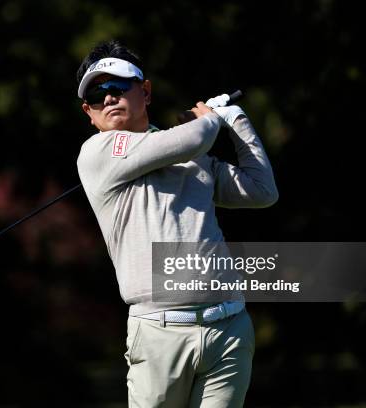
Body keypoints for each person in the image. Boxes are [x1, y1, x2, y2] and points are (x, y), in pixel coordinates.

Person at [76, 40, 278, 408]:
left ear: (146, 91)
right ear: (88, 112)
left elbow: (262, 189)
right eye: (96, 94)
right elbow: (197, 136)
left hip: (228, 328)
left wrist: (236, 120)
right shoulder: (97, 152)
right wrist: (210, 120)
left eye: (118, 86)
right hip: (157, 333)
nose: (108, 98)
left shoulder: (191, 155)